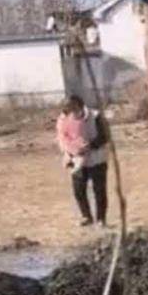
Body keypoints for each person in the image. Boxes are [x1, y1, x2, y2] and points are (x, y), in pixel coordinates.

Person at [55, 94, 110, 228]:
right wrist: (69, 151)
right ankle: (86, 216)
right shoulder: (64, 119)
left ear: (79, 105)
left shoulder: (95, 116)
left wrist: (90, 146)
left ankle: (101, 219)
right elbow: (62, 137)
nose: (70, 112)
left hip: (97, 159)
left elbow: (105, 136)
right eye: (67, 109)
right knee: (78, 190)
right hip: (77, 159)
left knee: (99, 190)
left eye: (72, 108)